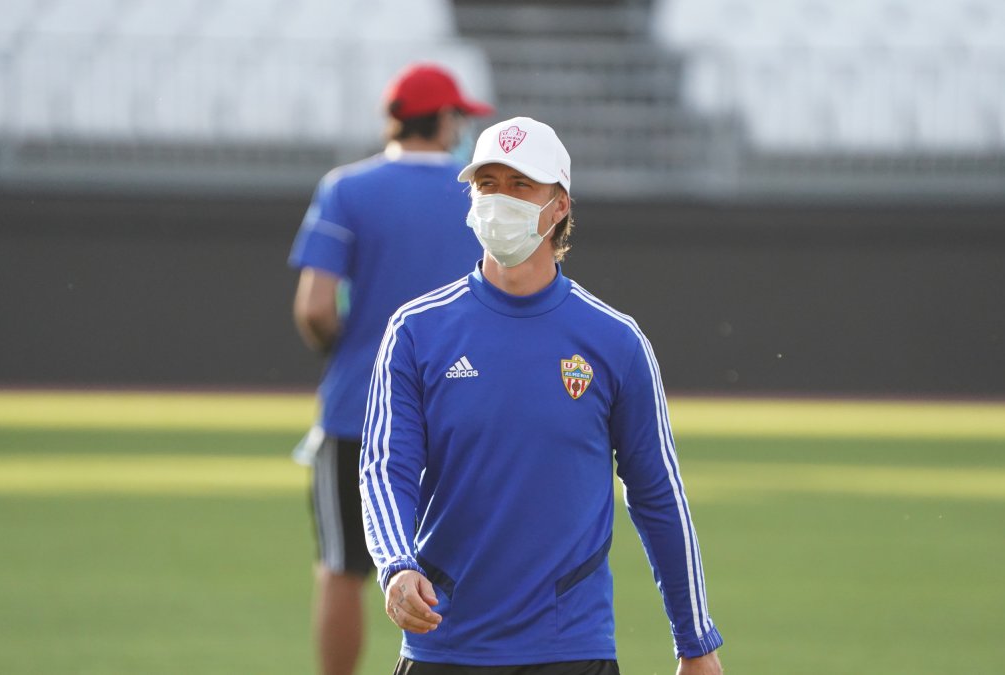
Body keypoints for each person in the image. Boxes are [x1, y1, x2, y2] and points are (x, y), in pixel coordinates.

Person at [360, 116, 725, 675]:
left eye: (520, 185)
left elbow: (657, 494)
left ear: (559, 206)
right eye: (487, 185)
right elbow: (387, 468)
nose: (499, 201)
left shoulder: (615, 341)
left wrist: (695, 642)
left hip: (571, 649)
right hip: (444, 642)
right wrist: (395, 564)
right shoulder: (415, 331)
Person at [289, 63, 493, 675]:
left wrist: (342, 347)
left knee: (342, 567)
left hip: (359, 409)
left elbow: (315, 306)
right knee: (470, 571)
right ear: (447, 120)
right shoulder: (475, 193)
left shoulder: (346, 189)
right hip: (461, 411)